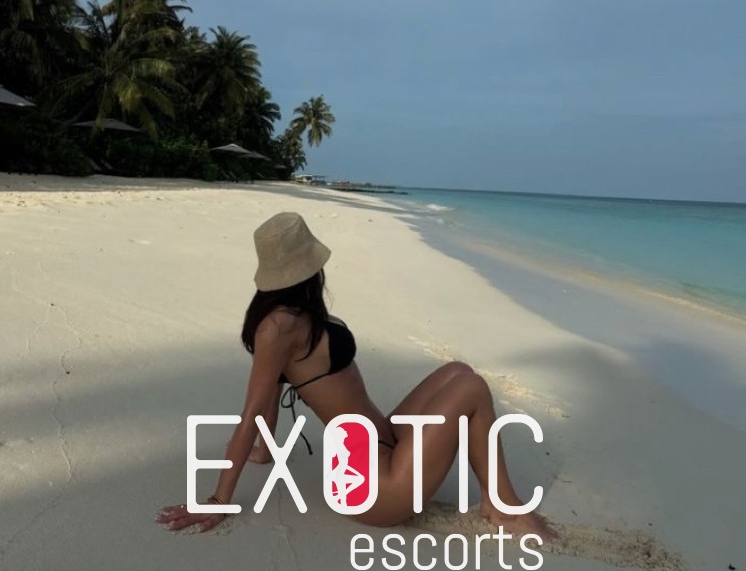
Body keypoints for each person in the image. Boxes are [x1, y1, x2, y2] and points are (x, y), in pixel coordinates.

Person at [156, 212, 555, 538]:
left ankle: (497, 499)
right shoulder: (276, 327)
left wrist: (266, 451)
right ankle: (502, 505)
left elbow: (272, 395)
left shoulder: (295, 314)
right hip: (372, 489)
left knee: (457, 371)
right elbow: (253, 410)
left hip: (382, 445)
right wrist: (219, 500)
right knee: (472, 387)